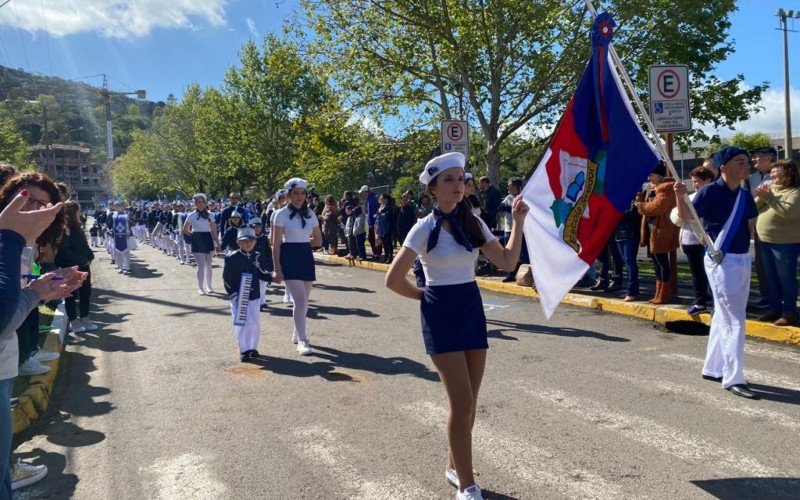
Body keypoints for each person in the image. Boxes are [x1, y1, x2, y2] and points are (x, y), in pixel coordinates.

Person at [385, 152, 529, 500]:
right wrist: (426, 298)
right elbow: (393, 279)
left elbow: (508, 261)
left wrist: (518, 222)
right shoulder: (423, 227)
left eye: (460, 179)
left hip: (470, 307)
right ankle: (467, 485)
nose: (457, 186)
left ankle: (453, 466)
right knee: (461, 403)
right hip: (441, 311)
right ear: (432, 188)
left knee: (471, 401)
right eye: (448, 180)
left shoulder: (474, 223)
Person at [675, 146, 759, 399]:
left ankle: (712, 368)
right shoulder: (709, 192)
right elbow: (685, 217)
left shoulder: (745, 196)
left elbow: (749, 227)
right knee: (734, 319)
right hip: (721, 260)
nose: (747, 166)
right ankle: (734, 377)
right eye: (741, 162)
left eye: (747, 161)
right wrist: (680, 196)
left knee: (725, 315)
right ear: (724, 169)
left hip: (741, 258)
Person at [272, 178, 323, 355]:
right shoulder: (281, 214)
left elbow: (318, 240)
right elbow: (276, 243)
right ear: (288, 195)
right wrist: (277, 268)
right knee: (299, 301)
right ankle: (303, 340)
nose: (300, 197)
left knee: (304, 302)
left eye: (302, 193)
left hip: (305, 256)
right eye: (296, 193)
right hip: (289, 257)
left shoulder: (311, 214)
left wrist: (303, 244)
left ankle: (296, 331)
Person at [753, 159, 800, 326]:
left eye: (775, 172)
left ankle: (789, 312)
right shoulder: (771, 189)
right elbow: (755, 207)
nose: (771, 175)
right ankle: (774, 309)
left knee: (786, 277)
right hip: (764, 240)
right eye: (771, 172)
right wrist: (761, 196)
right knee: (770, 277)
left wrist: (769, 197)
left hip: (785, 243)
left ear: (787, 173)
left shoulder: (794, 192)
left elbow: (787, 212)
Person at [223, 226, 273, 362]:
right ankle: (243, 349)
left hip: (254, 295)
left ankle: (253, 347)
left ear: (255, 242)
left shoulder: (257, 256)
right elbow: (227, 279)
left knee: (255, 322)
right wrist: (233, 295)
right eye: (244, 241)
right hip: (239, 295)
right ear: (238, 242)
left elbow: (261, 272)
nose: (248, 243)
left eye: (251, 240)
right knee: (242, 323)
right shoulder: (232, 258)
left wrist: (272, 278)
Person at [670, 166, 716, 314]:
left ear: (709, 180)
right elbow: (678, 217)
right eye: (694, 181)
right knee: (697, 274)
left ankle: (717, 304)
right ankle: (700, 303)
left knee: (713, 275)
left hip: (707, 241)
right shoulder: (690, 197)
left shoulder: (714, 196)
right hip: (690, 241)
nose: (696, 184)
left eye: (699, 181)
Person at [635, 162, 679, 304]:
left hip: (662, 230)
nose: (649, 178)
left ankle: (665, 292)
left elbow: (656, 208)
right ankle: (658, 292)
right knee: (655, 261)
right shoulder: (652, 190)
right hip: (651, 230)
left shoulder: (666, 189)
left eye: (652, 175)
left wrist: (640, 205)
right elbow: (649, 207)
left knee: (662, 262)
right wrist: (641, 199)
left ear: (659, 176)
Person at [56, 201, 98, 334]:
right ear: (72, 212)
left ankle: (85, 318)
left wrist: (90, 256)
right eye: (79, 210)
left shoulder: (77, 227)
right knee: (71, 294)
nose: (81, 213)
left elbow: (84, 245)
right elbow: (65, 251)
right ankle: (73, 321)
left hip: (84, 266)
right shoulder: (64, 229)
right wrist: (81, 261)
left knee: (86, 293)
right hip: (70, 267)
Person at [182, 193, 222, 295]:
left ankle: (209, 286)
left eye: (202, 202)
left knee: (209, 265)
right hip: (197, 239)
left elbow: (213, 230)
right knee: (200, 265)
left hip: (208, 239)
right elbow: (185, 230)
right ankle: (200, 287)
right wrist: (194, 236)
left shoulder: (210, 215)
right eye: (198, 202)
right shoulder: (191, 215)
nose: (200, 204)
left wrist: (218, 243)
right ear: (195, 204)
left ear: (205, 203)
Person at [615, 196, 642, 301]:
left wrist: (617, 213)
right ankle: (631, 289)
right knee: (627, 262)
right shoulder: (619, 198)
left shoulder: (635, 198)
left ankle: (632, 291)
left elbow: (634, 214)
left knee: (630, 262)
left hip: (630, 234)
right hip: (619, 234)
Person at [249, 217, 274, 311]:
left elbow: (268, 253)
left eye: (259, 226)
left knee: (263, 285)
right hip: (252, 265)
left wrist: (270, 266)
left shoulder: (265, 238)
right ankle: (257, 303)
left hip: (263, 265)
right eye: (254, 226)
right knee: (254, 285)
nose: (257, 228)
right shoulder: (249, 238)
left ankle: (262, 302)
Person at [359, 185, 379, 259]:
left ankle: (377, 254)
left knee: (373, 239)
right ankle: (375, 253)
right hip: (371, 223)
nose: (362, 194)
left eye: (362, 192)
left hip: (374, 223)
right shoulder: (369, 199)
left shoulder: (372, 199)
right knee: (371, 239)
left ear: (365, 192)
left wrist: (373, 222)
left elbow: (373, 212)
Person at [376, 193, 394, 263]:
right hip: (381, 227)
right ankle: (386, 256)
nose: (381, 200)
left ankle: (390, 257)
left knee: (388, 243)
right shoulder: (381, 206)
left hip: (387, 227)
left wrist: (381, 214)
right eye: (380, 199)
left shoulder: (389, 206)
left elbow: (388, 216)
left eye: (382, 199)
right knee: (384, 243)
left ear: (386, 199)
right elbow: (378, 214)